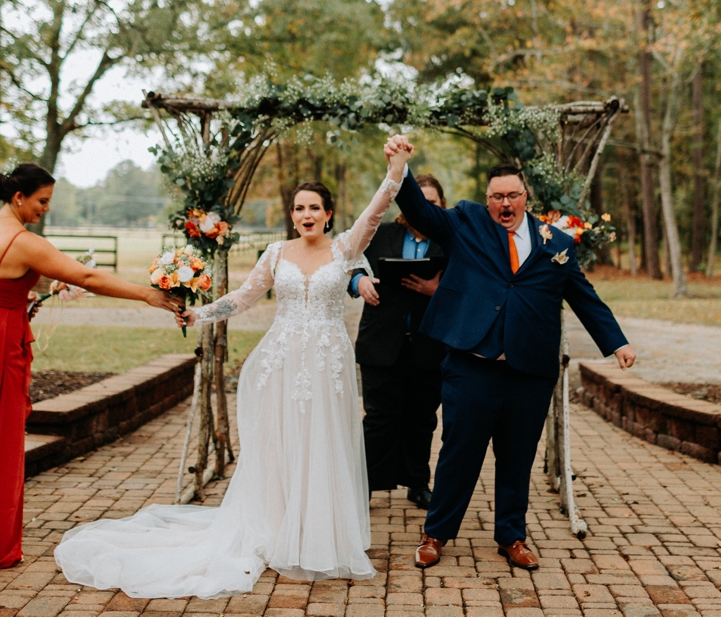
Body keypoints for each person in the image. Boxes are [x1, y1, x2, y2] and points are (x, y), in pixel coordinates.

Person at [54, 149, 412, 599]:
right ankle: (279, 529)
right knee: (282, 444)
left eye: (314, 208)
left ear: (329, 214)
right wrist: (198, 315)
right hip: (282, 363)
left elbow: (377, 209)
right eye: (299, 207)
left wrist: (395, 171)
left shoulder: (345, 249)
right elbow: (242, 298)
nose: (305, 214)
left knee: (322, 441)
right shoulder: (276, 252)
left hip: (325, 367)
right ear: (292, 214)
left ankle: (318, 534)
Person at [383, 136, 637, 572]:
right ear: (487, 199)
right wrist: (401, 168)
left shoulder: (556, 242)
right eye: (497, 196)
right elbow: (423, 213)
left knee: (518, 456)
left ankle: (512, 537)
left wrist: (616, 341)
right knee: (459, 453)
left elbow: (582, 295)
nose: (505, 203)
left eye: (512, 196)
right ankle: (436, 534)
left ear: (526, 198)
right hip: (471, 364)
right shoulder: (467, 221)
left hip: (529, 370)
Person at [0, 163, 182, 574]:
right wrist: (147, 296)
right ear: (19, 197)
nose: (45, 209)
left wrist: (7, 303)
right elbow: (87, 276)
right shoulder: (22, 241)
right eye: (42, 201)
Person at [348, 174, 447, 509]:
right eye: (420, 201)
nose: (425, 208)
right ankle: (364, 485)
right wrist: (359, 281)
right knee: (378, 419)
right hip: (381, 343)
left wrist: (439, 291)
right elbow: (347, 263)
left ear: (441, 206)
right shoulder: (379, 232)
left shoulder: (451, 240)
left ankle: (418, 483)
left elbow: (470, 283)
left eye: (432, 203)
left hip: (430, 344)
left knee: (422, 418)